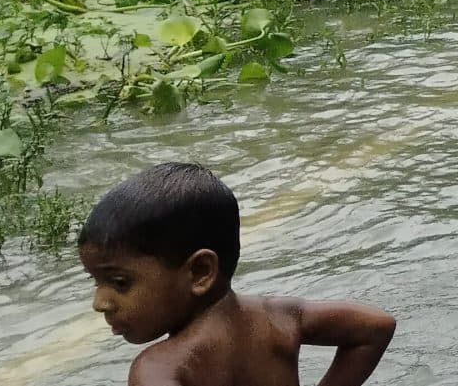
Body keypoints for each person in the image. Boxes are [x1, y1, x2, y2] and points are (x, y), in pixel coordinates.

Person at [78, 163, 397, 386]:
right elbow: (375, 326)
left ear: (200, 272)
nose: (100, 302)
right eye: (96, 281)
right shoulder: (280, 318)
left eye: (120, 283)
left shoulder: (159, 369)